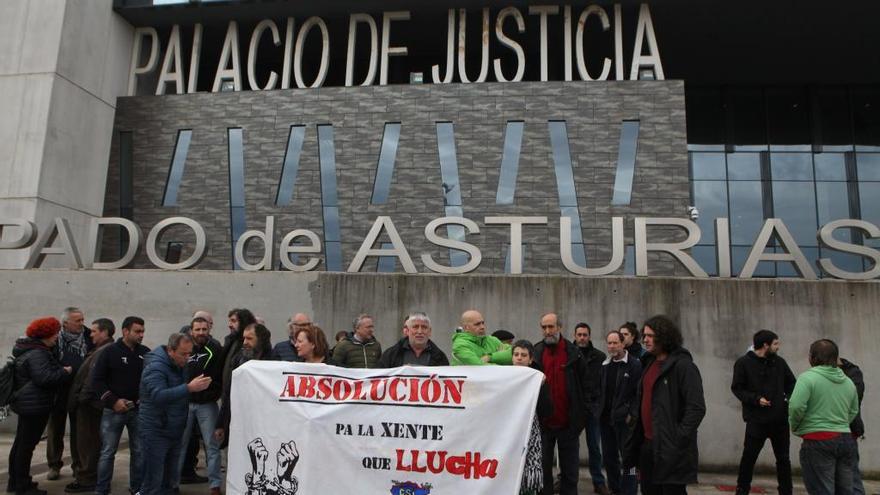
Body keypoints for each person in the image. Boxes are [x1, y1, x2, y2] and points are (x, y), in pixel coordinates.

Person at [624, 315, 706, 495]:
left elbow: (697, 408)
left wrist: (677, 438)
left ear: (665, 337)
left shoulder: (684, 367)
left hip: (671, 449)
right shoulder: (648, 363)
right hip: (648, 446)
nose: (645, 339)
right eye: (644, 335)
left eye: (650, 336)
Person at [139, 334, 212, 495]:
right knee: (153, 481)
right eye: (183, 354)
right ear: (171, 351)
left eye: (189, 354)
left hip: (174, 429)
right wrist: (189, 388)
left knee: (170, 481)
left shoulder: (179, 365)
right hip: (156, 430)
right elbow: (158, 396)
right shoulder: (156, 367)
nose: (187, 358)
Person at [8, 317, 72, 495]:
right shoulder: (38, 353)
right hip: (34, 406)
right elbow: (44, 378)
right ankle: (23, 485)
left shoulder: (29, 349)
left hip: (28, 404)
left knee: (21, 444)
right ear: (45, 334)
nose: (56, 337)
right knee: (26, 446)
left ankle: (15, 482)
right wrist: (64, 372)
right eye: (54, 333)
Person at [789, 339, 859, 495]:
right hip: (846, 439)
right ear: (835, 358)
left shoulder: (807, 378)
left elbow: (795, 406)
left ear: (812, 357)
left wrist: (796, 426)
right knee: (846, 491)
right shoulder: (848, 382)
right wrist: (841, 425)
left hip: (817, 440)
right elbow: (854, 410)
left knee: (821, 490)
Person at [730, 329, 796, 495]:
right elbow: (737, 388)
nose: (778, 347)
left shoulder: (780, 363)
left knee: (783, 460)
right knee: (749, 458)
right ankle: (742, 490)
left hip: (779, 421)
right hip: (756, 420)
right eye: (775, 343)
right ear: (765, 345)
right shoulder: (743, 363)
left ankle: (786, 491)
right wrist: (755, 399)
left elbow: (792, 384)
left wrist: (785, 400)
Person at [92, 316, 150, 495]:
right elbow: (97, 380)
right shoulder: (109, 352)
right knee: (108, 452)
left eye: (142, 331)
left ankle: (137, 488)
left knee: (139, 451)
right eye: (137, 331)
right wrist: (113, 401)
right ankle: (102, 489)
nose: (141, 335)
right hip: (113, 411)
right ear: (125, 331)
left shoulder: (146, 353)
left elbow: (151, 379)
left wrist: (143, 397)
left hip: (138, 411)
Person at [533, 313, 589, 495]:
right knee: (543, 472)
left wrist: (583, 418)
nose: (548, 331)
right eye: (544, 327)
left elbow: (587, 387)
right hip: (544, 425)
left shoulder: (574, 353)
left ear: (560, 328)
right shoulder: (536, 352)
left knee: (570, 473)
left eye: (551, 327)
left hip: (569, 425)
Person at [64, 318, 115, 493]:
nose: (90, 334)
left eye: (94, 331)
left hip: (90, 406)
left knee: (89, 444)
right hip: (88, 404)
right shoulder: (100, 349)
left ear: (104, 332)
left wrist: (81, 399)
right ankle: (87, 476)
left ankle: (87, 479)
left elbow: (92, 379)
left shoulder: (103, 351)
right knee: (87, 443)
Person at [175, 317, 224, 495]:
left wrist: (212, 394)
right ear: (191, 330)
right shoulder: (184, 348)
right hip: (185, 403)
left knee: (212, 446)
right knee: (179, 444)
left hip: (207, 405)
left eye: (204, 329)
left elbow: (220, 376)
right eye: (198, 329)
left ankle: (215, 485)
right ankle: (173, 484)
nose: (201, 333)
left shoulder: (216, 348)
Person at [46, 307, 90, 481]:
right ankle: (54, 465)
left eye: (82, 319)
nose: (82, 323)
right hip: (58, 391)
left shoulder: (88, 336)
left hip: (79, 391)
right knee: (55, 429)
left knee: (78, 431)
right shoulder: (54, 338)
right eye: (77, 321)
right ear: (65, 323)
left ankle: (78, 465)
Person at [599, 330, 642, 495]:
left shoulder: (634, 364)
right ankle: (615, 489)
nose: (611, 346)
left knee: (629, 460)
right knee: (609, 459)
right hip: (606, 420)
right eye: (609, 343)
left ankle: (630, 490)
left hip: (625, 421)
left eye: (615, 342)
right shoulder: (605, 364)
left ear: (623, 344)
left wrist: (631, 415)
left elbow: (638, 393)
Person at [215, 323, 272, 445]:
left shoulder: (274, 362)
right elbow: (228, 392)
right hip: (238, 420)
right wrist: (220, 423)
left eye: (250, 338)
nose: (245, 342)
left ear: (261, 340)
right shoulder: (238, 360)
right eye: (244, 338)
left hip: (263, 423)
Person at [512, 340, 553, 495]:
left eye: (523, 355)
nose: (519, 358)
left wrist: (541, 387)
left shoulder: (538, 379)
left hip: (530, 433)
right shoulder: (503, 377)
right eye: (516, 354)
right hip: (509, 434)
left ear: (530, 360)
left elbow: (547, 411)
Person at [574, 322, 608, 495]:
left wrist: (599, 407)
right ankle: (567, 479)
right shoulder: (569, 354)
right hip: (573, 409)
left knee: (595, 447)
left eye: (584, 334)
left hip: (593, 408)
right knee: (570, 448)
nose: (582, 338)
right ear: (574, 336)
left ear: (589, 336)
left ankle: (598, 481)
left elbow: (604, 385)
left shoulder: (599, 357)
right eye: (579, 334)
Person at [377, 312, 449, 367]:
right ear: (408, 331)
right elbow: (379, 380)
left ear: (430, 332)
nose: (420, 332)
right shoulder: (391, 355)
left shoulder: (441, 358)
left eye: (424, 327)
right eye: (415, 327)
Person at [838, 357, 865, 495]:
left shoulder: (852, 372)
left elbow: (853, 401)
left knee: (852, 477)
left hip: (848, 430)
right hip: (828, 432)